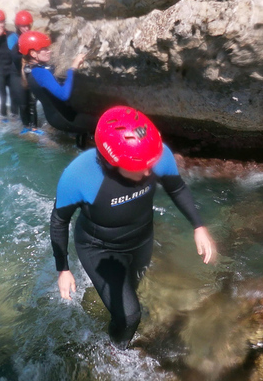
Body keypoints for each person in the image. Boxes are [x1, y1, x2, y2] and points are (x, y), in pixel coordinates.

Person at [49, 106, 217, 347]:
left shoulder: (155, 155)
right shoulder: (79, 175)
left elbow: (176, 187)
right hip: (99, 248)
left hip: (141, 240)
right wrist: (63, 269)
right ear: (112, 162)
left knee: (131, 293)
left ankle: (115, 311)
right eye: (141, 165)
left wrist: (198, 226)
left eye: (152, 162)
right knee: (130, 316)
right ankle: (116, 351)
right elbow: (59, 220)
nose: (150, 171)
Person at [18, 31, 98, 144]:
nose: (49, 51)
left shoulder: (30, 70)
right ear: (33, 53)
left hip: (55, 119)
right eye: (44, 48)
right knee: (103, 121)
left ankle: (84, 140)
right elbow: (63, 95)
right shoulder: (40, 73)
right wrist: (73, 67)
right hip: (65, 119)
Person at [0, 9, 33, 120]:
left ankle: (15, 119)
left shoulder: (11, 35)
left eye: (2, 21)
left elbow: (20, 49)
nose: (0, 24)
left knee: (14, 96)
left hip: (11, 70)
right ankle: (3, 120)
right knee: (3, 98)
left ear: (4, 21)